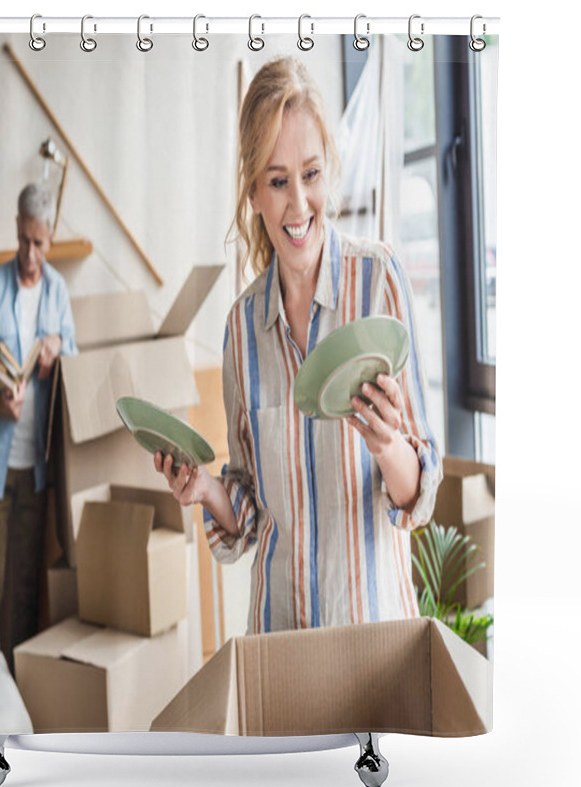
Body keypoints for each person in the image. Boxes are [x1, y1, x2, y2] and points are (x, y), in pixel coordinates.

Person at [155, 57, 442, 635]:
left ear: (328, 172)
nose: (298, 205)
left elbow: (420, 497)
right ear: (254, 192)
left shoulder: (379, 282)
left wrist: (388, 445)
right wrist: (205, 489)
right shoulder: (241, 330)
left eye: (310, 175)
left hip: (374, 638)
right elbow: (249, 510)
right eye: (278, 181)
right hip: (281, 641)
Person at [0, 182, 76, 673]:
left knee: (27, 585)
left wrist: (56, 357)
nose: (31, 255)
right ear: (16, 230)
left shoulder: (58, 292)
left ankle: (19, 686)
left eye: (40, 243)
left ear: (50, 238)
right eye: (24, 241)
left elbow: (75, 361)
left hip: (36, 467)